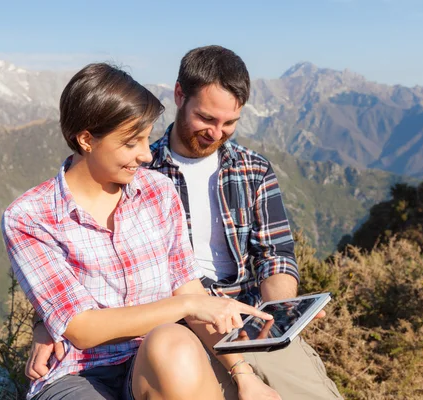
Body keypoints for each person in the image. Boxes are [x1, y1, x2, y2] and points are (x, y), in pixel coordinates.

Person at [28, 46, 343, 399]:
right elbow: (79, 259)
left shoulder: (253, 170)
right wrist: (49, 321)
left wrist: (281, 312)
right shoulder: (136, 172)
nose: (216, 132)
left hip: (243, 316)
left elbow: (276, 255)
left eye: (230, 123)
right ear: (180, 95)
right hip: (172, 325)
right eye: (207, 119)